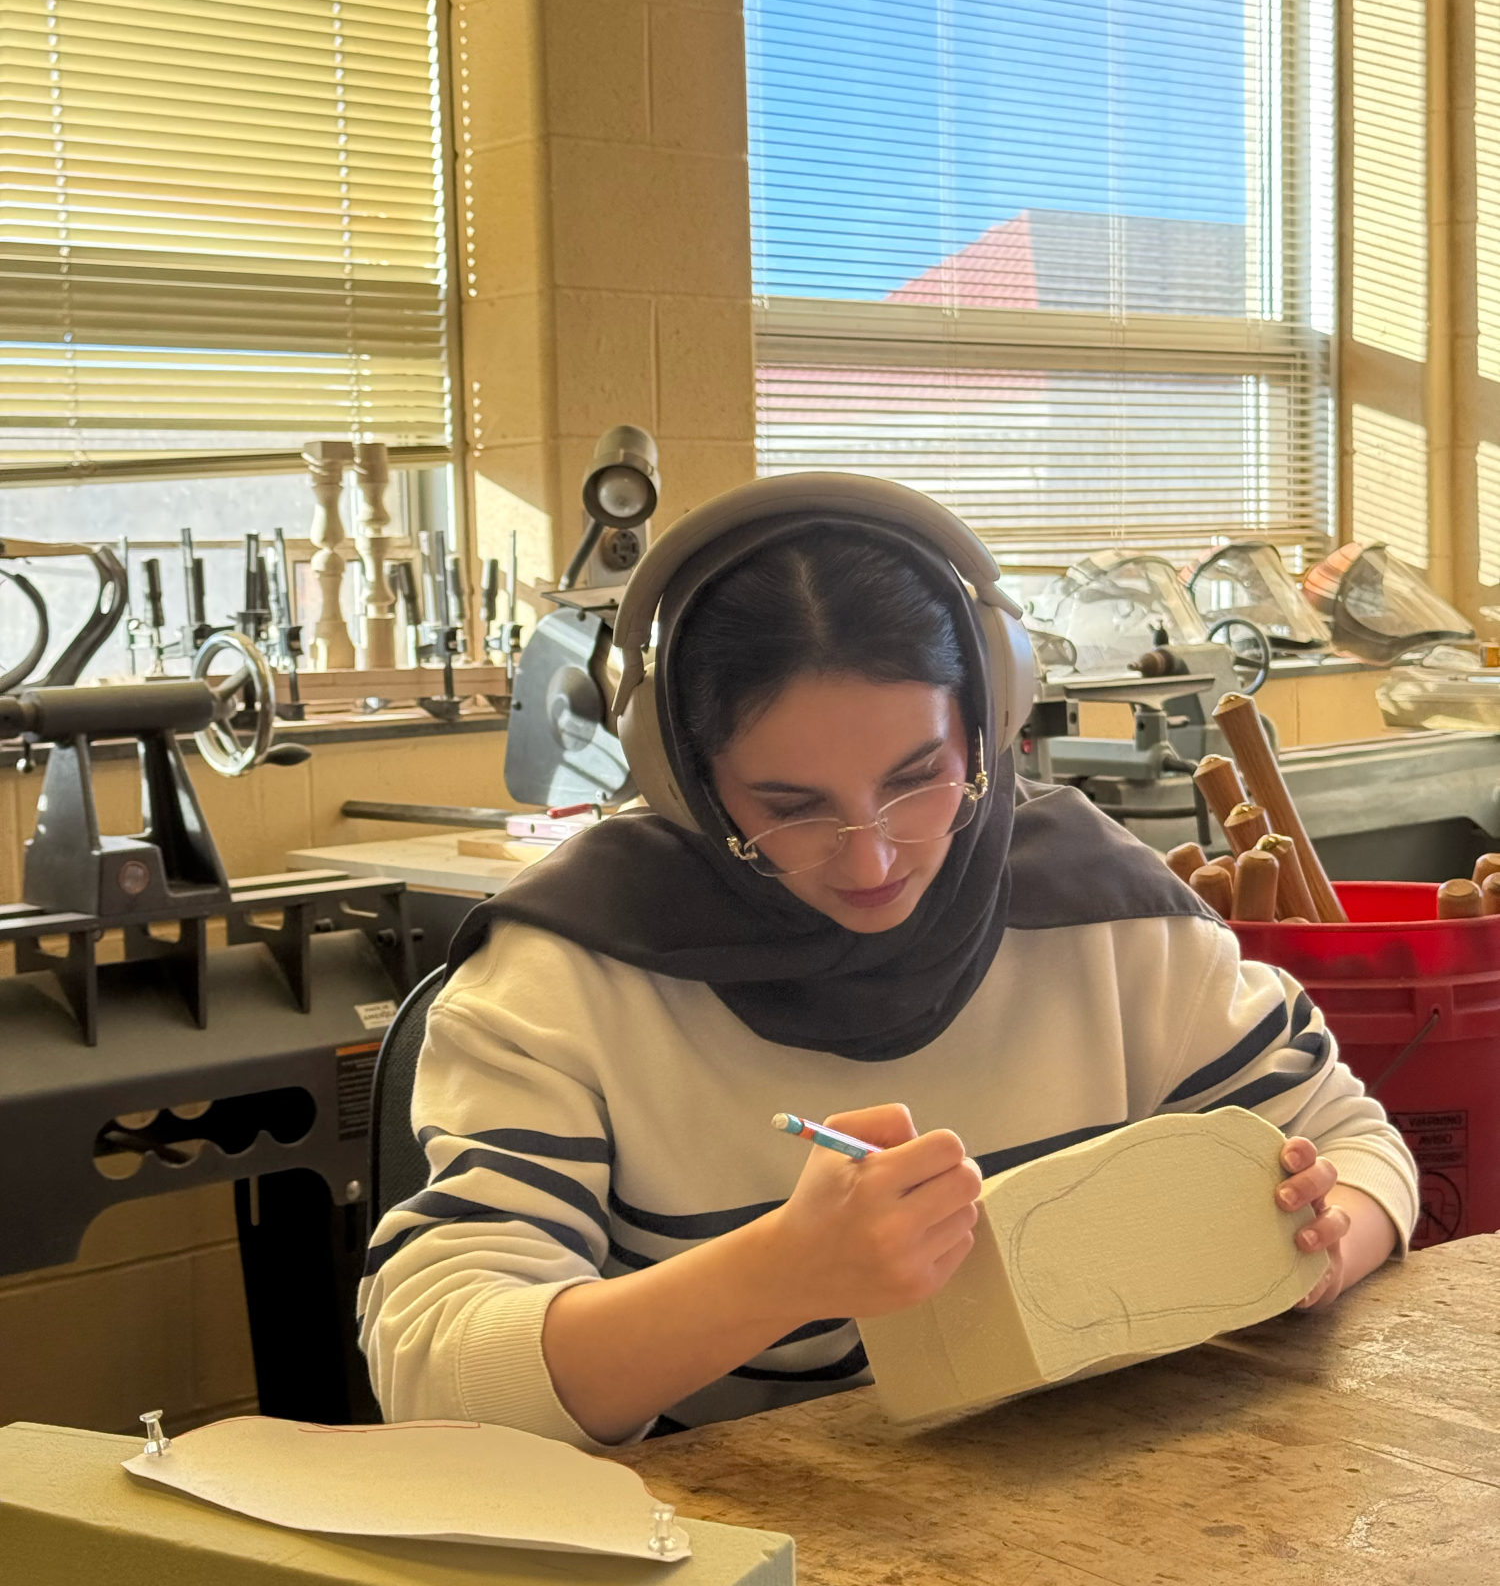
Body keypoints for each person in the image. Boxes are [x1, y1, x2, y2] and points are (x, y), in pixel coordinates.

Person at [359, 477, 1417, 1449]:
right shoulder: (564, 976)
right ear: (683, 776)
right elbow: (435, 1370)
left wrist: (1324, 1242)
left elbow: (1355, 1141)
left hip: (1082, 1505)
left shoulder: (1100, 910)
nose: (870, 856)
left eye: (918, 778)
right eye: (789, 806)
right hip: (723, 1564)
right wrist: (777, 1272)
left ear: (989, 723)